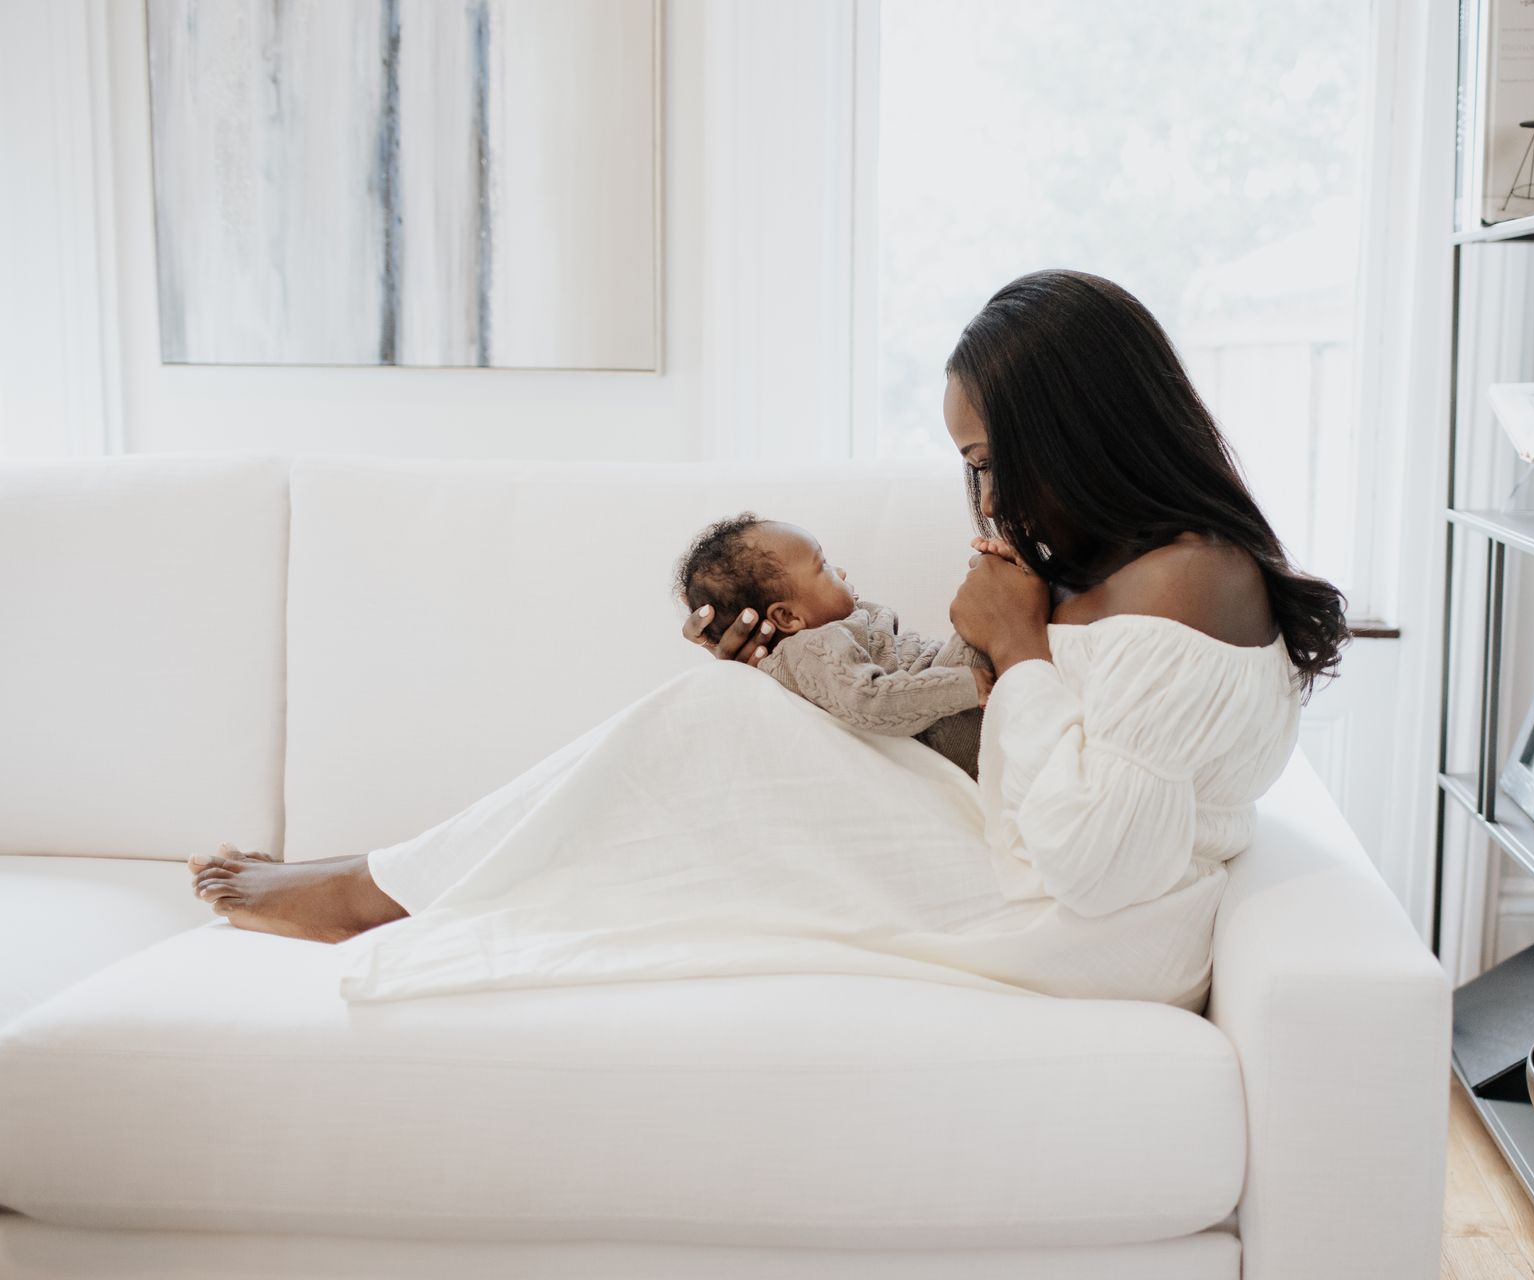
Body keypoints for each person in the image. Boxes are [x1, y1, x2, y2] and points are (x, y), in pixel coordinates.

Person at [188, 269, 1348, 1010]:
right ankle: (402, 877)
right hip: (1014, 851)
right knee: (735, 712)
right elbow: (1019, 740)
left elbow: (1103, 862)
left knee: (713, 726)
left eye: (991, 456)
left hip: (1071, 922)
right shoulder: (1124, 559)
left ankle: (381, 890)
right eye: (968, 466)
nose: (985, 497)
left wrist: (1024, 650)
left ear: (1082, 429)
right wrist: (816, 667)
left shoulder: (1192, 574)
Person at [675, 511, 991, 777]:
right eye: (823, 566)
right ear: (787, 616)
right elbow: (868, 700)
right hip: (947, 724)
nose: (840, 571)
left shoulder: (826, 632)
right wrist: (964, 685)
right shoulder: (811, 648)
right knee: (988, 602)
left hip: (945, 697)